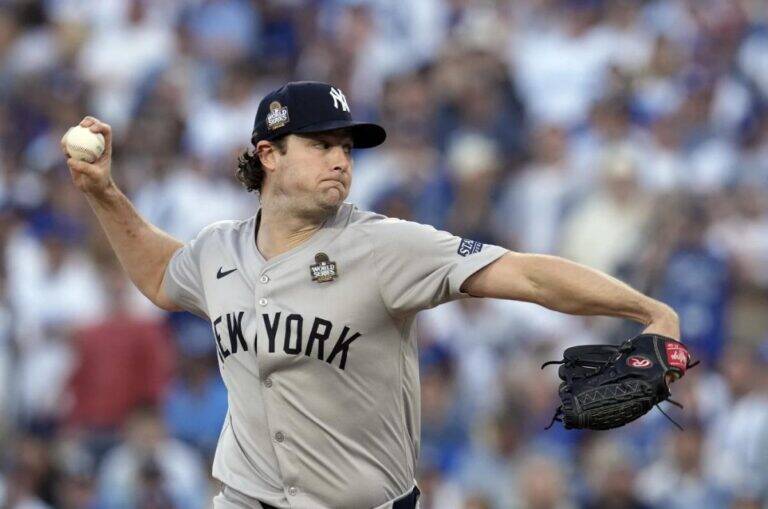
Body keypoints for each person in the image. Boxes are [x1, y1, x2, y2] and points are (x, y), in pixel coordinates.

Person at [61, 81, 680, 509]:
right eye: (322, 144)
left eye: (346, 147)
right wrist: (103, 193)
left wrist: (647, 310)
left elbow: (527, 274)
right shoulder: (219, 250)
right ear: (268, 154)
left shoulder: (386, 247)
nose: (341, 160)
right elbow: (162, 276)